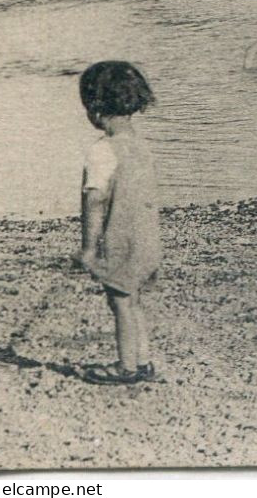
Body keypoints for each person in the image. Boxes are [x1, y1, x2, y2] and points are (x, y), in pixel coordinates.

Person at [76, 61, 163, 385]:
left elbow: (95, 200)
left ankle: (126, 367)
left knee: (120, 304)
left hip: (121, 239)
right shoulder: (140, 146)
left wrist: (87, 248)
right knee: (133, 300)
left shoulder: (102, 151)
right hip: (147, 237)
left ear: (95, 109)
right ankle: (143, 359)